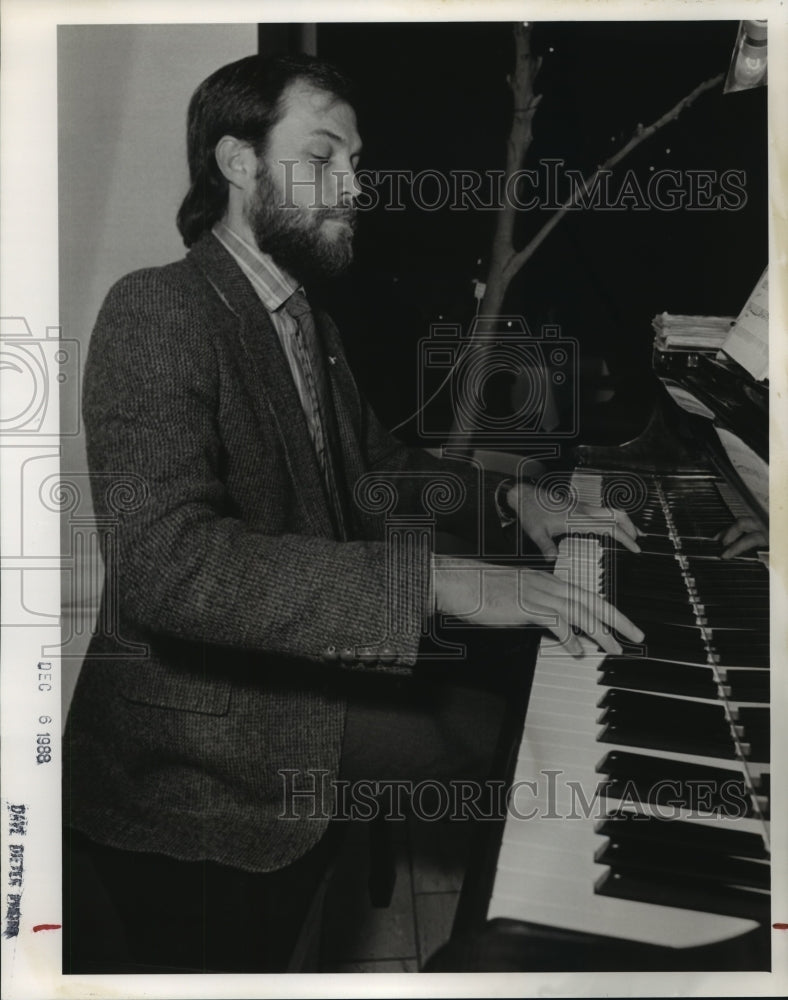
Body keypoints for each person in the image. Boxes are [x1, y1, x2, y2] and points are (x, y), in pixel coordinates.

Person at [62, 53, 643, 974]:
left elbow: (378, 472)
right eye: (323, 158)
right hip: (190, 732)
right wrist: (439, 579)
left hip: (286, 663)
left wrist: (512, 501)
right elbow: (167, 566)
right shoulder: (156, 309)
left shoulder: (307, 321)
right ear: (238, 163)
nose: (355, 186)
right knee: (501, 739)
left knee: (524, 698)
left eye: (357, 163)